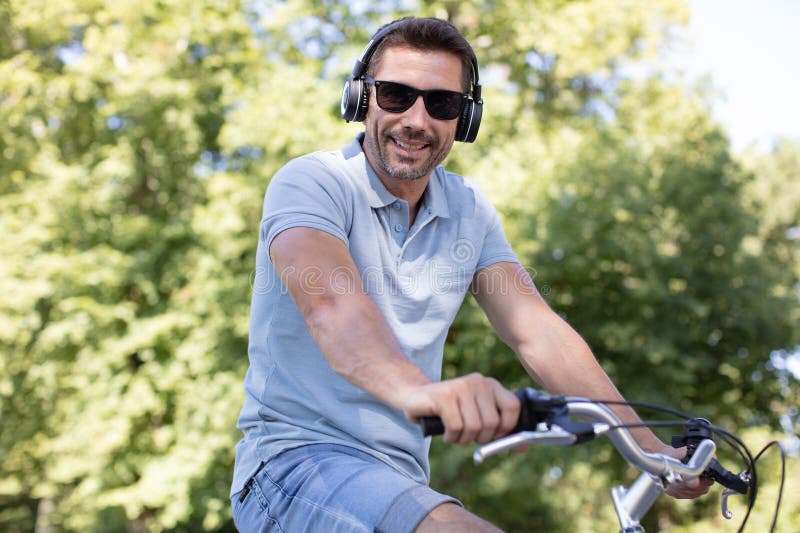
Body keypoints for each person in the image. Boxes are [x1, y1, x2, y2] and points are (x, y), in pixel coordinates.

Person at [230, 16, 711, 533]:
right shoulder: (312, 183)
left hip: (401, 482)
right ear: (361, 99)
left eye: (442, 104)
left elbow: (538, 332)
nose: (417, 119)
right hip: (293, 466)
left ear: (465, 119)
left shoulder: (469, 211)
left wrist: (651, 449)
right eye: (395, 95)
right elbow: (332, 305)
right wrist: (422, 393)